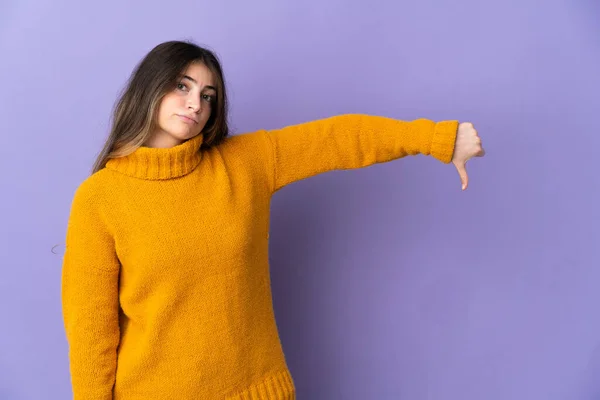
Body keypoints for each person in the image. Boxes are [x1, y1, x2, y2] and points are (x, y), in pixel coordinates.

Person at [61, 40, 485, 400]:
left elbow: (339, 139)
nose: (195, 103)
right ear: (149, 88)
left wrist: (438, 140)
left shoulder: (245, 163)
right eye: (182, 86)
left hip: (256, 389)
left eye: (208, 95)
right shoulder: (100, 199)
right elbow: (91, 336)